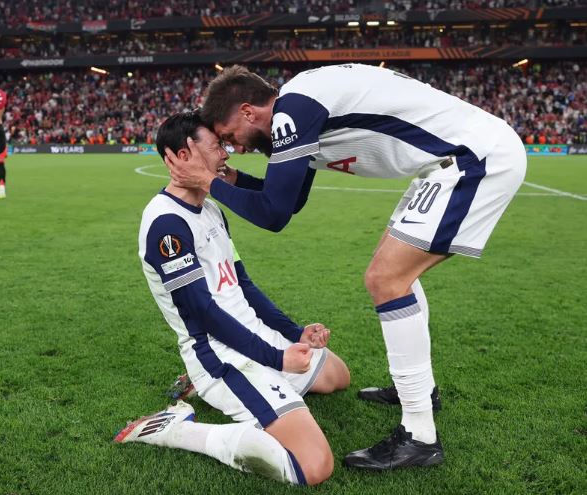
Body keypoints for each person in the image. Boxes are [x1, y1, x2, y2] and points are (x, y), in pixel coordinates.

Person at [163, 64, 527, 471]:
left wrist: (209, 182)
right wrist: (229, 178)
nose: (237, 148)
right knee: (394, 275)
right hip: (451, 160)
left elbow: (274, 215)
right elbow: (289, 199)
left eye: (231, 136)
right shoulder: (301, 111)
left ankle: (420, 434)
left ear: (249, 112)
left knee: (387, 279)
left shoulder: (293, 111)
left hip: (472, 158)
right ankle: (418, 392)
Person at [115, 112, 350, 486]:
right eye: (216, 146)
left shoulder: (212, 209)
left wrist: (294, 332)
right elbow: (204, 313)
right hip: (222, 356)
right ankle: (177, 429)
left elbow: (243, 286)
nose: (226, 154)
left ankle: (259, 393)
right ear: (184, 155)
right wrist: (276, 358)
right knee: (313, 465)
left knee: (338, 375)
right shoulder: (167, 224)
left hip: (254, 335)